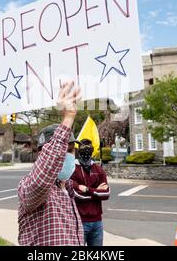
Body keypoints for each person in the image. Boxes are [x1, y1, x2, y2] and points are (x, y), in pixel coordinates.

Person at [18, 81, 84, 246]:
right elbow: (43, 177)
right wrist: (68, 117)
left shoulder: (67, 189)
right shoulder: (29, 187)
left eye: (71, 150)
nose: (67, 155)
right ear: (42, 153)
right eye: (63, 150)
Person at [71, 138, 110, 246]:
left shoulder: (98, 169)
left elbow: (106, 194)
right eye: (84, 148)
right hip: (80, 221)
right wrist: (97, 192)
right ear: (79, 150)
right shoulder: (72, 169)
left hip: (97, 222)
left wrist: (88, 189)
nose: (86, 152)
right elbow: (76, 195)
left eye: (89, 148)